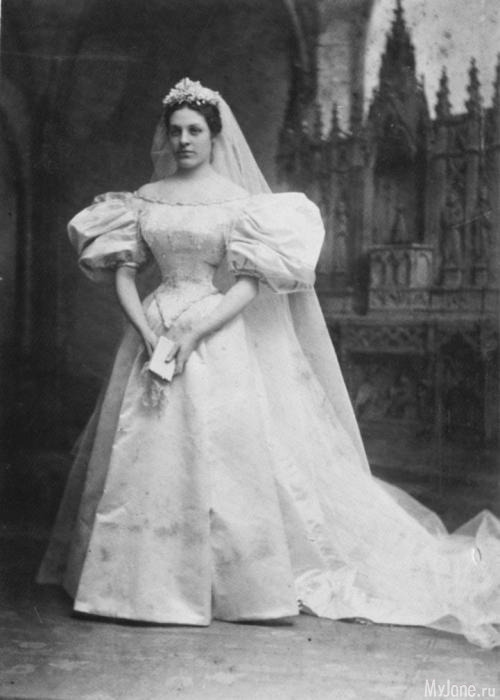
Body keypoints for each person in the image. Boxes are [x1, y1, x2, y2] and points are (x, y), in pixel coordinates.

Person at [38, 78, 500, 648]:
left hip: (213, 329)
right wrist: (148, 332)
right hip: (152, 328)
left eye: (195, 131)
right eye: (176, 131)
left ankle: (233, 585)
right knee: (142, 443)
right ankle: (132, 583)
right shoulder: (143, 198)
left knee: (225, 451)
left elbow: (249, 284)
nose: (184, 141)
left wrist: (192, 333)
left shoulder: (240, 203)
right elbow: (125, 274)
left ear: (214, 136)